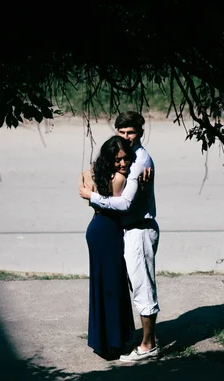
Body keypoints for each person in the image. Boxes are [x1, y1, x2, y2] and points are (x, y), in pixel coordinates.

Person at [79, 111, 160, 362]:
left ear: (141, 133)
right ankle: (130, 338)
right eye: (122, 132)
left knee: (142, 288)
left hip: (139, 228)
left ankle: (148, 345)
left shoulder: (139, 161)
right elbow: (90, 170)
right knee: (125, 285)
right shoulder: (124, 155)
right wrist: (87, 181)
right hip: (121, 230)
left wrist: (91, 196)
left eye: (131, 132)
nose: (126, 136)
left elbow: (124, 204)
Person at [81, 135, 136, 360]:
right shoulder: (120, 179)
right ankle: (114, 340)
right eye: (118, 159)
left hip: (98, 228)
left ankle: (103, 339)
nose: (123, 164)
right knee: (112, 285)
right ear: (110, 159)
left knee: (104, 283)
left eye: (125, 159)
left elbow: (84, 181)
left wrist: (91, 185)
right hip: (108, 231)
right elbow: (119, 204)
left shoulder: (96, 175)